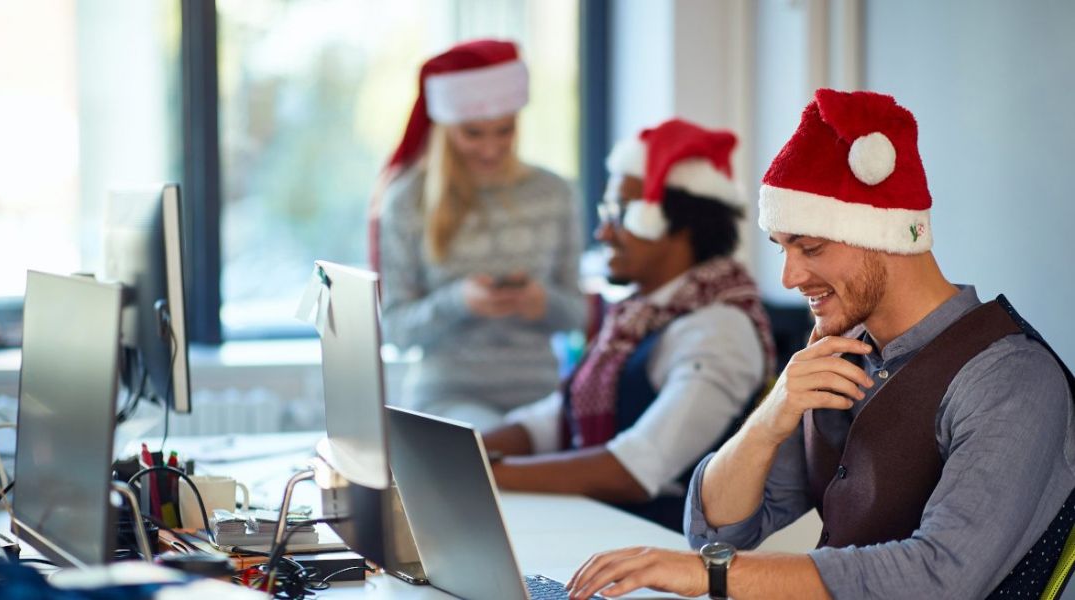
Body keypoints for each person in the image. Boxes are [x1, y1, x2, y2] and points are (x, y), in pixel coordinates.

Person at [566, 89, 1075, 600]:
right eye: (783, 248)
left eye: (810, 248)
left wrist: (716, 574)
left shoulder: (1012, 378)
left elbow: (940, 578)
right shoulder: (840, 351)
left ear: (888, 237)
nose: (789, 276)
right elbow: (716, 534)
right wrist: (772, 415)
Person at [483, 119, 776, 532]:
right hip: (605, 533)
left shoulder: (719, 331)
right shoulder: (636, 317)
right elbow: (555, 420)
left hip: (666, 556)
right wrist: (467, 449)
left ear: (679, 224)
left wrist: (487, 475)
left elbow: (638, 468)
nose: (603, 231)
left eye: (620, 213)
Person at [375, 39, 585, 429]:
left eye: (504, 131)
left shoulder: (556, 193)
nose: (491, 149)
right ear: (445, 129)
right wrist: (460, 301)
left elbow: (577, 314)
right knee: (489, 448)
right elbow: (395, 329)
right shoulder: (407, 201)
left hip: (539, 400)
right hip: (448, 399)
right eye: (473, 133)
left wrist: (541, 302)